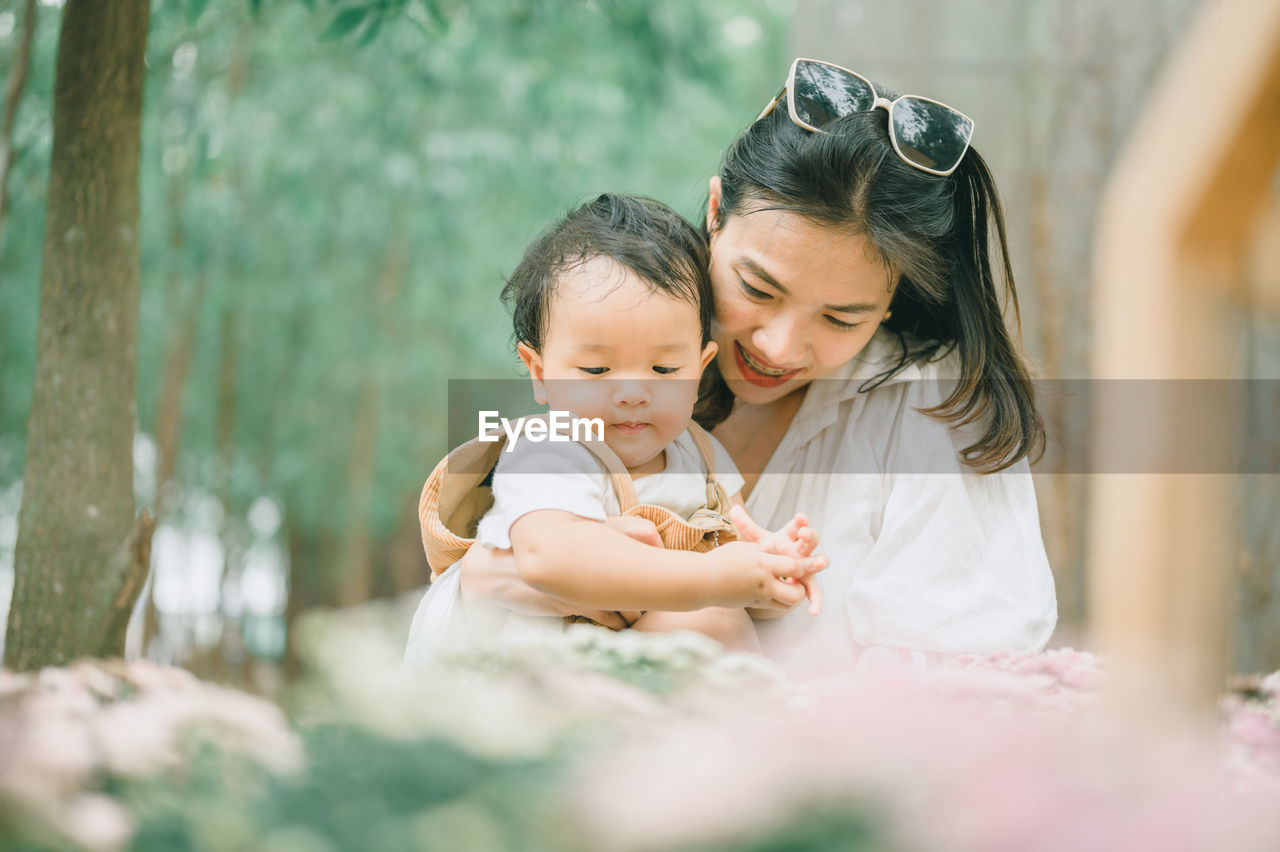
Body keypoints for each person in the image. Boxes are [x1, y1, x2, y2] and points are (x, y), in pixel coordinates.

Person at [451, 59, 1058, 676]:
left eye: (842, 319)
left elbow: (971, 683)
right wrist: (481, 580)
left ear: (893, 296)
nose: (780, 347)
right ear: (715, 212)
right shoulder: (612, 369)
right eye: (758, 289)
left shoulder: (929, 405)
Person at [404, 193, 825, 664]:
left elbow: (735, 561)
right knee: (706, 618)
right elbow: (551, 557)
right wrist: (714, 581)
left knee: (716, 621)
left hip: (643, 689)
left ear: (700, 368)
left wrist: (767, 564)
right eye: (596, 370)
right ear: (540, 373)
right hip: (527, 683)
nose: (631, 393)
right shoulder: (549, 452)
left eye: (664, 370)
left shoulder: (702, 455)